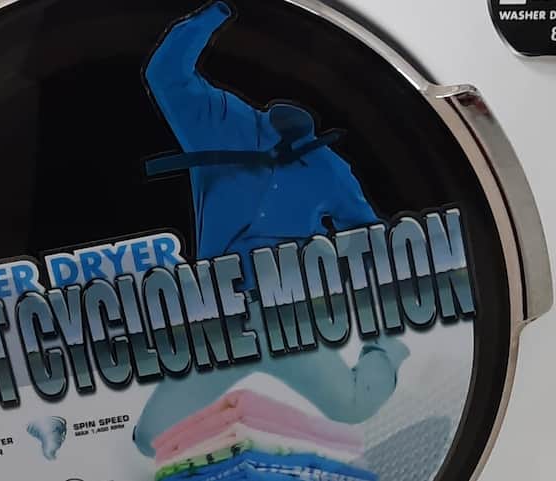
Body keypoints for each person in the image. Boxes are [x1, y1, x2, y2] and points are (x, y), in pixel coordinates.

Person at [134, 1, 409, 458]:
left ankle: (387, 349)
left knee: (352, 406)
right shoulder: (222, 124)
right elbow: (166, 74)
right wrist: (217, 9)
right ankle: (244, 429)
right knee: (151, 440)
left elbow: (368, 234)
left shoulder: (327, 167)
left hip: (290, 320)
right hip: (221, 321)